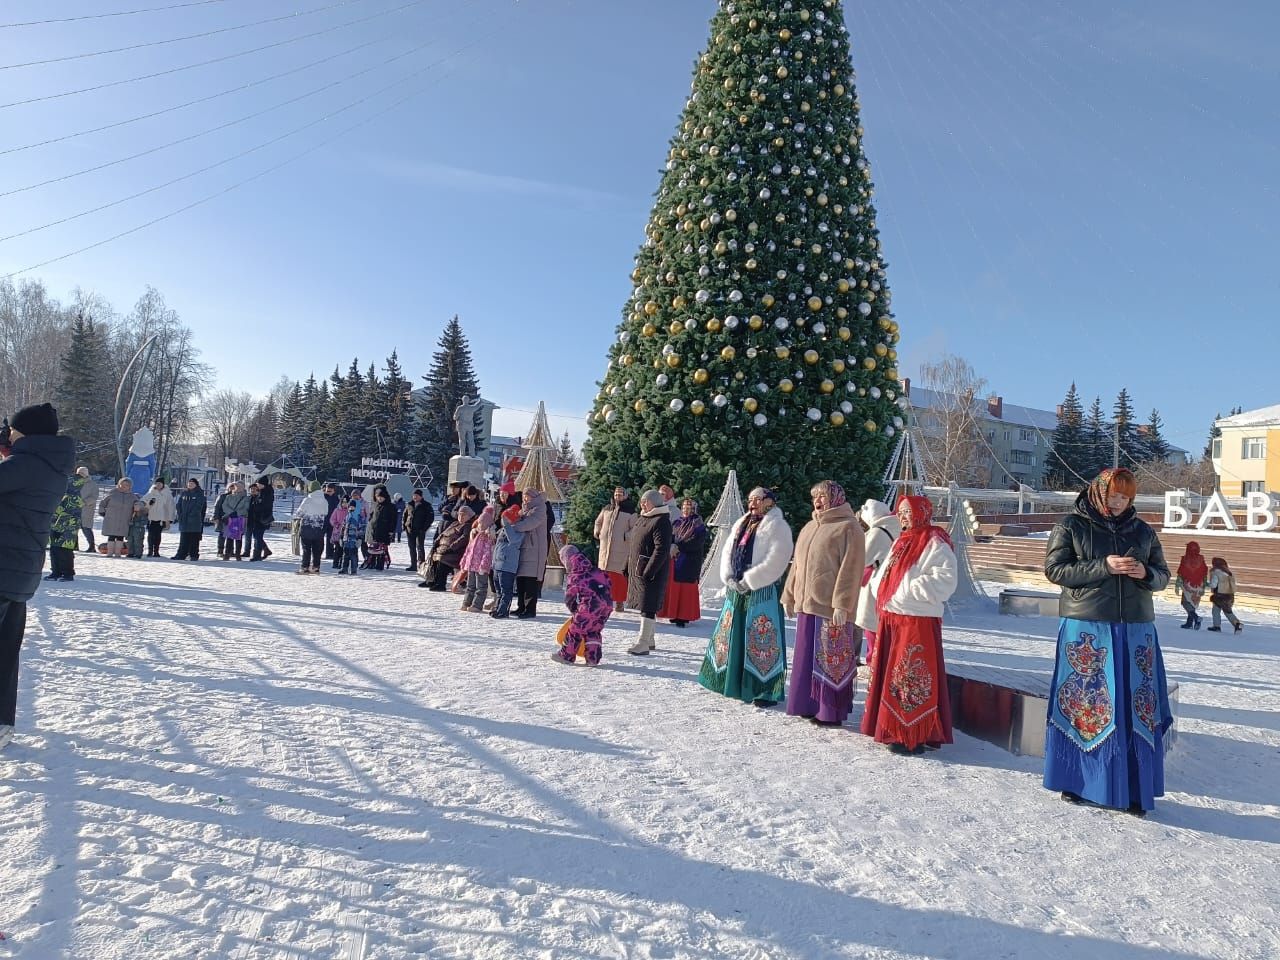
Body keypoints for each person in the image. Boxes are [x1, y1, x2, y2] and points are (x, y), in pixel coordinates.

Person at [1043, 467, 1173, 816]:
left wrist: (1145, 573)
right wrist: (1103, 566)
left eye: (1125, 498)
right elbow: (1056, 570)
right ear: (1099, 492)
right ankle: (1078, 780)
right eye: (1114, 496)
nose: (1119, 503)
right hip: (1089, 628)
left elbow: (1163, 575)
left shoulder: (1143, 531)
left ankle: (1134, 787)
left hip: (1135, 630)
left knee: (1134, 709)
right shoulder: (1071, 525)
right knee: (1088, 706)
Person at [1, 403, 76, 750]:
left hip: (4, 565)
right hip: (20, 571)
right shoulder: (48, 465)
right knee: (5, 650)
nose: (9, 435)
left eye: (13, 430)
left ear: (25, 433)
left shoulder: (26, 464)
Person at [861, 495, 958, 754]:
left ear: (921, 513)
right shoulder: (901, 541)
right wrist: (879, 586)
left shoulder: (935, 541)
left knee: (910, 675)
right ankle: (893, 727)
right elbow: (886, 574)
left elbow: (946, 579)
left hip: (917, 619)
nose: (903, 517)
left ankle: (911, 733)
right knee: (892, 675)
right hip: (893, 617)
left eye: (908, 512)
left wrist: (905, 591)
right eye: (900, 512)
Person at [697, 487, 793, 702]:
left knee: (761, 640)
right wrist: (729, 577)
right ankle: (729, 682)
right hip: (737, 587)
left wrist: (750, 580)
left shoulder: (778, 526)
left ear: (770, 502)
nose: (753, 503)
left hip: (762, 590)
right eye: (750, 499)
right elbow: (728, 550)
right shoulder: (742, 522)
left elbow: (778, 558)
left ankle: (763, 690)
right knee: (732, 636)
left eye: (758, 499)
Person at [782, 480, 865, 726]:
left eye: (823, 497)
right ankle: (807, 704)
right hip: (807, 605)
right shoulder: (809, 527)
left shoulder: (849, 528)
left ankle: (829, 712)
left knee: (830, 660)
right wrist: (789, 595)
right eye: (815, 497)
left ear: (836, 498)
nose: (818, 502)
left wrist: (842, 604)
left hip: (830, 608)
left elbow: (851, 570)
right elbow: (796, 565)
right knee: (807, 659)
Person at [625, 490, 675, 655]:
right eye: (641, 501)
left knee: (648, 605)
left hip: (652, 571)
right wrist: (627, 565)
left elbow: (661, 549)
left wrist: (650, 570)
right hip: (639, 569)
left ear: (655, 502)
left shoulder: (661, 521)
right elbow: (634, 545)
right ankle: (650, 639)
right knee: (645, 604)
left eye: (645, 501)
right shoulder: (643, 518)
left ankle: (643, 642)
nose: (642, 504)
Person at [854, 499, 901, 668]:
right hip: (891, 586)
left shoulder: (877, 532)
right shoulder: (896, 529)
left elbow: (863, 558)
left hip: (873, 585)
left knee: (872, 630)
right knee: (882, 631)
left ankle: (874, 665)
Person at [552, 544, 613, 666]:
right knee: (593, 631)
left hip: (589, 607)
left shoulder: (575, 575)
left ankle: (566, 656)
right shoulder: (596, 571)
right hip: (606, 607)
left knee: (575, 630)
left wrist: (575, 611)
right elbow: (608, 582)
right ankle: (593, 658)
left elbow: (570, 598)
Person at [660, 497, 707, 627]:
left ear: (694, 509)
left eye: (689, 508)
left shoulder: (698, 523)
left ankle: (683, 616)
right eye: (684, 507)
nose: (686, 510)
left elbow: (696, 542)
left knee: (686, 589)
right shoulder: (677, 522)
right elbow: (671, 537)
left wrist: (679, 547)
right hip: (675, 560)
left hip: (689, 561)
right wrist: (671, 546)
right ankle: (674, 614)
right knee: (675, 588)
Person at [593, 486, 634, 614]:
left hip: (620, 549)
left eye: (620, 494)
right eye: (616, 494)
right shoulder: (607, 508)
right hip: (605, 549)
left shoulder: (630, 511)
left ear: (625, 496)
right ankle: (603, 601)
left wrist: (625, 537)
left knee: (618, 577)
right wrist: (598, 533)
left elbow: (636, 529)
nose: (618, 496)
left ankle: (620, 602)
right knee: (604, 576)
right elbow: (598, 522)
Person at [512, 489, 549, 618]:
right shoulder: (524, 509)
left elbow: (530, 523)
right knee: (521, 579)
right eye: (523, 496)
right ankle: (521, 607)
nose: (524, 499)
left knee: (530, 580)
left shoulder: (539, 508)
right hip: (525, 547)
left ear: (532, 497)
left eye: (526, 496)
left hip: (535, 549)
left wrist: (514, 526)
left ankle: (530, 609)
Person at [47, 469, 87, 582]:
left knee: (64, 551)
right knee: (54, 549)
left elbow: (67, 514)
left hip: (67, 528)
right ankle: (56, 571)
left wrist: (58, 527)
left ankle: (67, 573)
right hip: (56, 526)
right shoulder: (63, 495)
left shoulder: (74, 498)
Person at [490, 497, 525, 618]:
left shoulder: (518, 529)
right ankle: (498, 608)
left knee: (506, 591)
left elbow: (514, 541)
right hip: (497, 564)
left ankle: (503, 611)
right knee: (499, 590)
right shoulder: (503, 530)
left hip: (508, 565)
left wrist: (506, 525)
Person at [426, 504, 475, 590]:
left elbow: (463, 539)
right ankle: (432, 580)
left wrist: (451, 548)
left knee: (442, 559)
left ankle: (441, 584)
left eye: (464, 515)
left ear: (469, 516)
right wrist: (437, 542)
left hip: (457, 552)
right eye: (460, 514)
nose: (461, 516)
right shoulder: (455, 523)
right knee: (434, 556)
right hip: (445, 548)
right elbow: (443, 533)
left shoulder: (468, 526)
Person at [459, 501, 496, 612]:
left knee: (481, 587)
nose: (480, 526)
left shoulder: (487, 538)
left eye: (483, 524)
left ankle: (477, 605)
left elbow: (487, 553)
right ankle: (466, 603)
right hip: (471, 565)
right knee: (470, 586)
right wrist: (464, 561)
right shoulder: (475, 535)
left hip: (481, 567)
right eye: (479, 523)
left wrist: (483, 566)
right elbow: (469, 550)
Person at [99, 478, 139, 558]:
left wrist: (138, 506)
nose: (124, 487)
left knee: (120, 537)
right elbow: (102, 503)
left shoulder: (132, 497)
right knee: (111, 536)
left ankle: (118, 553)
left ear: (130, 487)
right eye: (122, 484)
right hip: (111, 519)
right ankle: (109, 552)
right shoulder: (112, 493)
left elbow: (139, 503)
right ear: (119, 484)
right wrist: (102, 512)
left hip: (124, 519)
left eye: (127, 485)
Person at [294, 487, 330, 574]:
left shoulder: (307, 500)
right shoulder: (324, 501)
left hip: (307, 527)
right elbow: (326, 512)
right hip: (319, 528)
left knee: (306, 549)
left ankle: (305, 567)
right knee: (317, 549)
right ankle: (316, 567)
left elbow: (299, 513)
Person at [1174, 541, 1207, 630]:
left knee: (1185, 602)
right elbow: (1204, 571)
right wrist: (1204, 584)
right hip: (1198, 585)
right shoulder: (1201, 559)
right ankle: (1190, 623)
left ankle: (1196, 618)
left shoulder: (1185, 559)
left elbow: (1181, 572)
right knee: (1192, 603)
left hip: (1187, 585)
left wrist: (1177, 585)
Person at [173, 478, 207, 560]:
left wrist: (191, 514)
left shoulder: (199, 494)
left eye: (192, 483)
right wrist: (180, 514)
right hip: (184, 519)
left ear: (196, 484)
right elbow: (179, 505)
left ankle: (194, 555)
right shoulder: (184, 493)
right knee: (184, 539)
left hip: (194, 520)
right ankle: (181, 554)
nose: (190, 485)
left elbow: (199, 506)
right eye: (189, 483)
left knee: (194, 538)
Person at [1206, 556, 1242, 633]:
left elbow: (1213, 585)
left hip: (1219, 595)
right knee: (1227, 610)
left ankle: (1217, 626)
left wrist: (1207, 584)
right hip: (1230, 595)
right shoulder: (1229, 573)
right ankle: (1236, 624)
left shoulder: (1216, 572)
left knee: (1216, 611)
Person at [364, 485, 395, 570]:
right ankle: (371, 563)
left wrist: (391, 531)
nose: (380, 499)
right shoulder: (375, 505)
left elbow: (393, 520)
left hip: (384, 530)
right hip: (374, 530)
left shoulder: (390, 506)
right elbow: (371, 516)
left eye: (381, 497)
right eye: (378, 497)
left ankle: (380, 564)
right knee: (373, 548)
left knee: (381, 549)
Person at [403, 489, 435, 572]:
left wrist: (424, 528)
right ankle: (413, 565)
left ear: (421, 496)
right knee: (412, 548)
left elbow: (430, 518)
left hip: (420, 530)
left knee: (420, 547)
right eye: (414, 495)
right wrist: (404, 525)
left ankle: (421, 565)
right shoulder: (409, 504)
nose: (415, 497)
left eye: (417, 496)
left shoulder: (426, 505)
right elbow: (405, 515)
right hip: (410, 529)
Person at [143, 478, 175, 557]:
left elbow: (170, 506)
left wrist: (170, 519)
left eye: (160, 483)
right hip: (151, 517)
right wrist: (148, 504)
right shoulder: (151, 492)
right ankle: (150, 550)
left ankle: (156, 551)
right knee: (150, 535)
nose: (158, 485)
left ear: (163, 484)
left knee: (158, 535)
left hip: (162, 518)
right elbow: (144, 501)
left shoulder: (167, 494)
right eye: (157, 483)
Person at [220, 481, 250, 560]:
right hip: (230, 518)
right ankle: (227, 553)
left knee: (238, 537)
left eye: (240, 486)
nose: (238, 488)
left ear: (243, 488)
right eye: (237, 486)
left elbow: (246, 508)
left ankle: (237, 554)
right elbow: (224, 505)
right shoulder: (229, 496)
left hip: (240, 518)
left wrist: (237, 513)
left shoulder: (246, 498)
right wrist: (231, 512)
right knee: (229, 537)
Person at [248, 479, 276, 561]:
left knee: (258, 537)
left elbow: (264, 505)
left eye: (259, 484)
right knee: (257, 536)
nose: (257, 486)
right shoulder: (262, 492)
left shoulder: (267, 493)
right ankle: (266, 550)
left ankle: (257, 555)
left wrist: (256, 505)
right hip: (257, 518)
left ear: (263, 484)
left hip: (262, 518)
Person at [338, 497, 367, 575]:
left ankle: (354, 569)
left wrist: (360, 539)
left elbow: (361, 528)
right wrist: (341, 537)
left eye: (353, 506)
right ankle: (344, 569)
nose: (351, 508)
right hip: (346, 539)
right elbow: (343, 527)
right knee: (345, 555)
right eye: (350, 506)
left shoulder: (358, 517)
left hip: (354, 540)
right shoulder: (347, 517)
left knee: (354, 556)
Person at [77, 466, 98, 552]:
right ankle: (74, 545)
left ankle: (91, 546)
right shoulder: (74, 483)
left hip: (87, 509)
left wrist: (85, 502)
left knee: (86, 528)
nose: (80, 475)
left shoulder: (92, 484)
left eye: (82, 473)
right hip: (74, 508)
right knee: (74, 528)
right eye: (79, 473)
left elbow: (94, 496)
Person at [327, 497, 350, 570]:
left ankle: (342, 563)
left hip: (346, 533)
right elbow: (332, 519)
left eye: (346, 502)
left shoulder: (350, 511)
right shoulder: (337, 510)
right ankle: (335, 563)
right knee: (337, 549)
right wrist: (336, 524)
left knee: (344, 549)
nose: (344, 504)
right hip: (337, 532)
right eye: (343, 502)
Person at [321, 482, 341, 562]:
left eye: (330, 491)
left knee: (330, 538)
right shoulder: (322, 497)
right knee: (320, 538)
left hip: (332, 521)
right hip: (323, 520)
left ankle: (330, 554)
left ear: (334, 490)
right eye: (327, 491)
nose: (328, 492)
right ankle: (318, 553)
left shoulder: (336, 498)